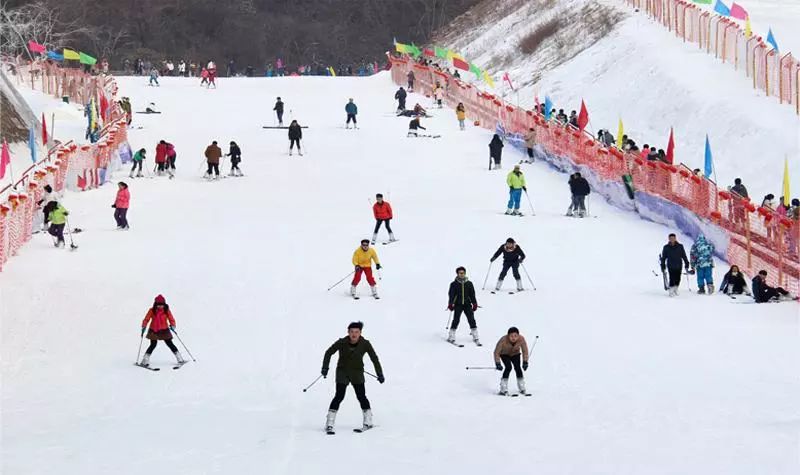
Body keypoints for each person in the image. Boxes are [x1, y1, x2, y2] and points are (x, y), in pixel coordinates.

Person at [321, 321, 384, 434]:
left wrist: (380, 374)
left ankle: (368, 421)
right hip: (342, 372)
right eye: (352, 332)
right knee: (339, 396)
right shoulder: (342, 342)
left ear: (360, 333)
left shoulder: (365, 344)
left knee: (361, 396)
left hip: (357, 373)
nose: (354, 334)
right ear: (348, 332)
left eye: (356, 332)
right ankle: (329, 422)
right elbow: (328, 352)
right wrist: (325, 368)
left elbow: (374, 359)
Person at [138, 295, 186, 367]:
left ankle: (179, 358)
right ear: (155, 304)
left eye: (162, 305)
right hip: (153, 330)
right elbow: (146, 319)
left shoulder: (166, 310)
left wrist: (172, 325)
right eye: (158, 305)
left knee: (170, 343)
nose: (160, 306)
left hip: (164, 330)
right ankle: (145, 360)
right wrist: (144, 326)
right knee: (153, 345)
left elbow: (171, 318)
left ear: (164, 304)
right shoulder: (152, 310)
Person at [447, 267, 480, 345]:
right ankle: (451, 335)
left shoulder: (469, 283)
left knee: (471, 319)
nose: (462, 274)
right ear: (457, 274)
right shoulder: (453, 284)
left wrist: (474, 303)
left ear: (465, 273)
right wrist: (450, 304)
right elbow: (451, 295)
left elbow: (472, 295)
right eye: (460, 273)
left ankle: (475, 335)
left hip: (467, 304)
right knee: (456, 320)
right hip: (458, 305)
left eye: (463, 273)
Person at [493, 327, 530, 396]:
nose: (513, 338)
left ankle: (521, 387)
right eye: (511, 336)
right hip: (504, 354)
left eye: (515, 336)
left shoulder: (521, 339)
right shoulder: (503, 340)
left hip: (515, 354)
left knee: (518, 368)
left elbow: (525, 350)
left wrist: (525, 361)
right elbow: (496, 352)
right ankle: (503, 388)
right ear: (508, 336)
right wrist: (498, 363)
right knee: (508, 367)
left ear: (518, 336)